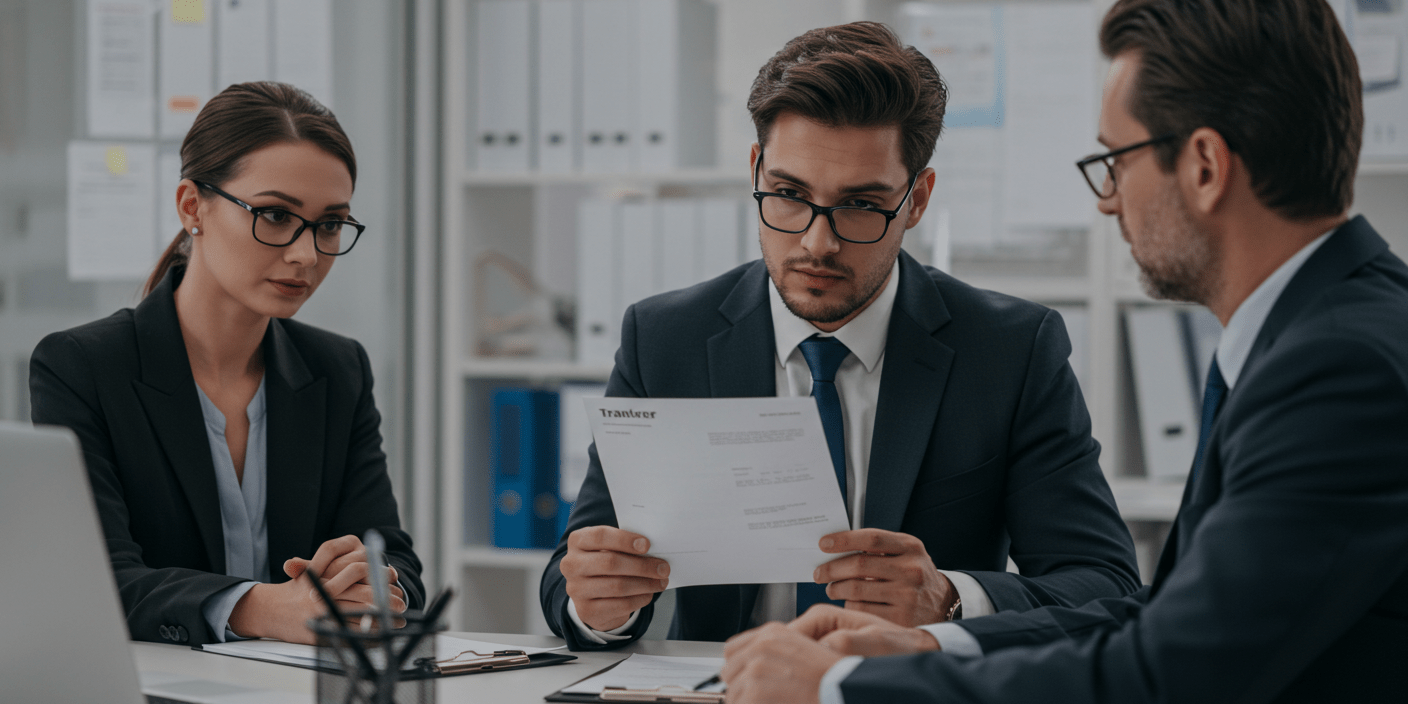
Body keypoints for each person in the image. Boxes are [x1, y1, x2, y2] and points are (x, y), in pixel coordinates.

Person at [718, 1, 1408, 702]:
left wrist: (847, 685)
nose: (1108, 202)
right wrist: (935, 642)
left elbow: (1174, 672)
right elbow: (1166, 617)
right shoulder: (1324, 334)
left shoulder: (1338, 368)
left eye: (1116, 161)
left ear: (1203, 166)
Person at [540, 21, 1140, 651]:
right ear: (756, 170)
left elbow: (1107, 587)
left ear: (916, 200)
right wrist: (598, 606)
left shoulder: (1011, 350)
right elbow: (569, 579)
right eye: (790, 195)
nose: (815, 242)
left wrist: (951, 598)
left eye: (860, 204)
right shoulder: (663, 339)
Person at [29, 82, 425, 647]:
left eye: (330, 224)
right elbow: (94, 581)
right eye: (274, 215)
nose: (305, 255)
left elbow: (397, 561)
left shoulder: (338, 370)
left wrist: (376, 588)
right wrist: (262, 607)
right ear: (193, 207)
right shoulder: (84, 366)